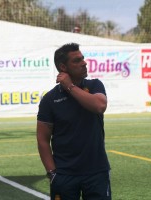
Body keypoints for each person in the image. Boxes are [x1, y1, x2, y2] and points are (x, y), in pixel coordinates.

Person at [36, 43, 111, 200]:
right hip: (64, 175)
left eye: (83, 58)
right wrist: (52, 173)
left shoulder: (95, 85)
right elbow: (42, 139)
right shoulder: (50, 99)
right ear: (63, 67)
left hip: (97, 172)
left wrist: (69, 86)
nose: (84, 63)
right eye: (77, 60)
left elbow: (99, 106)